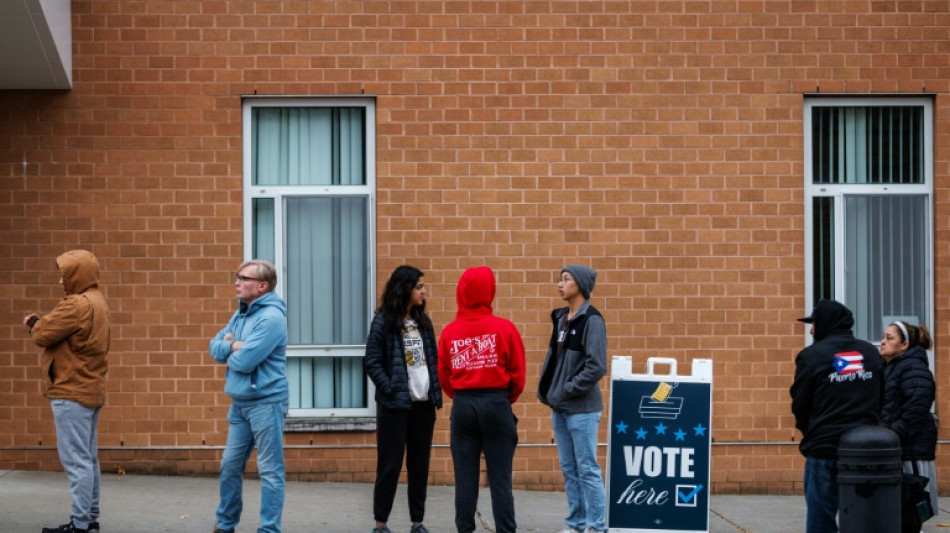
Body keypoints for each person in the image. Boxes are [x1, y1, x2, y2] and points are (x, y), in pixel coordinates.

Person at [23, 250, 110, 533]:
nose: (61, 281)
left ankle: (80, 524)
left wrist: (35, 324)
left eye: (65, 275)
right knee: (88, 459)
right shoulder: (98, 301)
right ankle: (90, 519)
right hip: (90, 387)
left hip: (71, 389)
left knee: (76, 462)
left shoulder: (75, 304)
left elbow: (43, 335)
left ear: (78, 274)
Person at [438, 266, 526, 533]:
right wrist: (502, 398)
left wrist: (462, 394)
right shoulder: (505, 329)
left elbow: (444, 375)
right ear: (490, 291)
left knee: (465, 479)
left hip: (464, 405)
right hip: (497, 403)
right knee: (501, 480)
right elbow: (518, 374)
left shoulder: (450, 332)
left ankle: (465, 529)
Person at [209, 259, 289, 533]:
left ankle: (269, 529)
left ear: (262, 286)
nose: (237, 282)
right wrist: (234, 345)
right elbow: (213, 346)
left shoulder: (271, 318)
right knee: (229, 466)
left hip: (266, 403)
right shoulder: (240, 314)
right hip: (240, 404)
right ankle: (226, 525)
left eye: (244, 278)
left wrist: (229, 347)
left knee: (269, 470)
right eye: (237, 277)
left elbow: (244, 362)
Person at [790, 299, 883, 533]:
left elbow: (800, 403)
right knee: (862, 517)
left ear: (825, 323)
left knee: (821, 518)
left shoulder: (812, 356)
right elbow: (881, 397)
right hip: (864, 449)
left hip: (824, 448)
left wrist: (810, 432)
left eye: (814, 323)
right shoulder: (870, 353)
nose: (811, 330)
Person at [363, 265, 443, 533]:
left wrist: (434, 392)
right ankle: (380, 523)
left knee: (419, 466)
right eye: (419, 287)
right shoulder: (383, 322)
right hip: (394, 407)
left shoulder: (424, 322)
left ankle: (416, 522)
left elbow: (432, 360)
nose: (423, 291)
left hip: (423, 405)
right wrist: (390, 389)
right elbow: (372, 362)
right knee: (390, 465)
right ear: (405, 289)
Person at [538, 265, 608, 533]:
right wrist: (552, 392)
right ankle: (576, 524)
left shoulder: (592, 320)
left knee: (587, 469)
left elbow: (596, 366)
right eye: (559, 279)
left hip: (582, 410)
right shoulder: (561, 319)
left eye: (566, 279)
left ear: (580, 284)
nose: (560, 284)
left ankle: (597, 526)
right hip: (560, 407)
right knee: (570, 469)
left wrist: (567, 389)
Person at [879, 320, 938, 530]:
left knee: (909, 508)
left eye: (889, 338)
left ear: (904, 345)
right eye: (883, 337)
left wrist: (891, 433)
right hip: (897, 447)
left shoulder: (913, 367)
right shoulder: (891, 367)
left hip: (911, 450)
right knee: (898, 511)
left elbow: (917, 406)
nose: (882, 342)